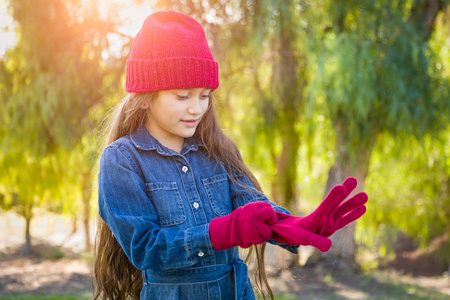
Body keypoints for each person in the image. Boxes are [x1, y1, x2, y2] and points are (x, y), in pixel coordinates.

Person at [92, 10, 368, 300]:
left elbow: (254, 210)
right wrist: (224, 231)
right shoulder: (121, 160)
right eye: (182, 96)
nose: (196, 109)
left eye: (204, 95)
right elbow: (146, 247)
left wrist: (295, 225)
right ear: (146, 97)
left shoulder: (218, 148)